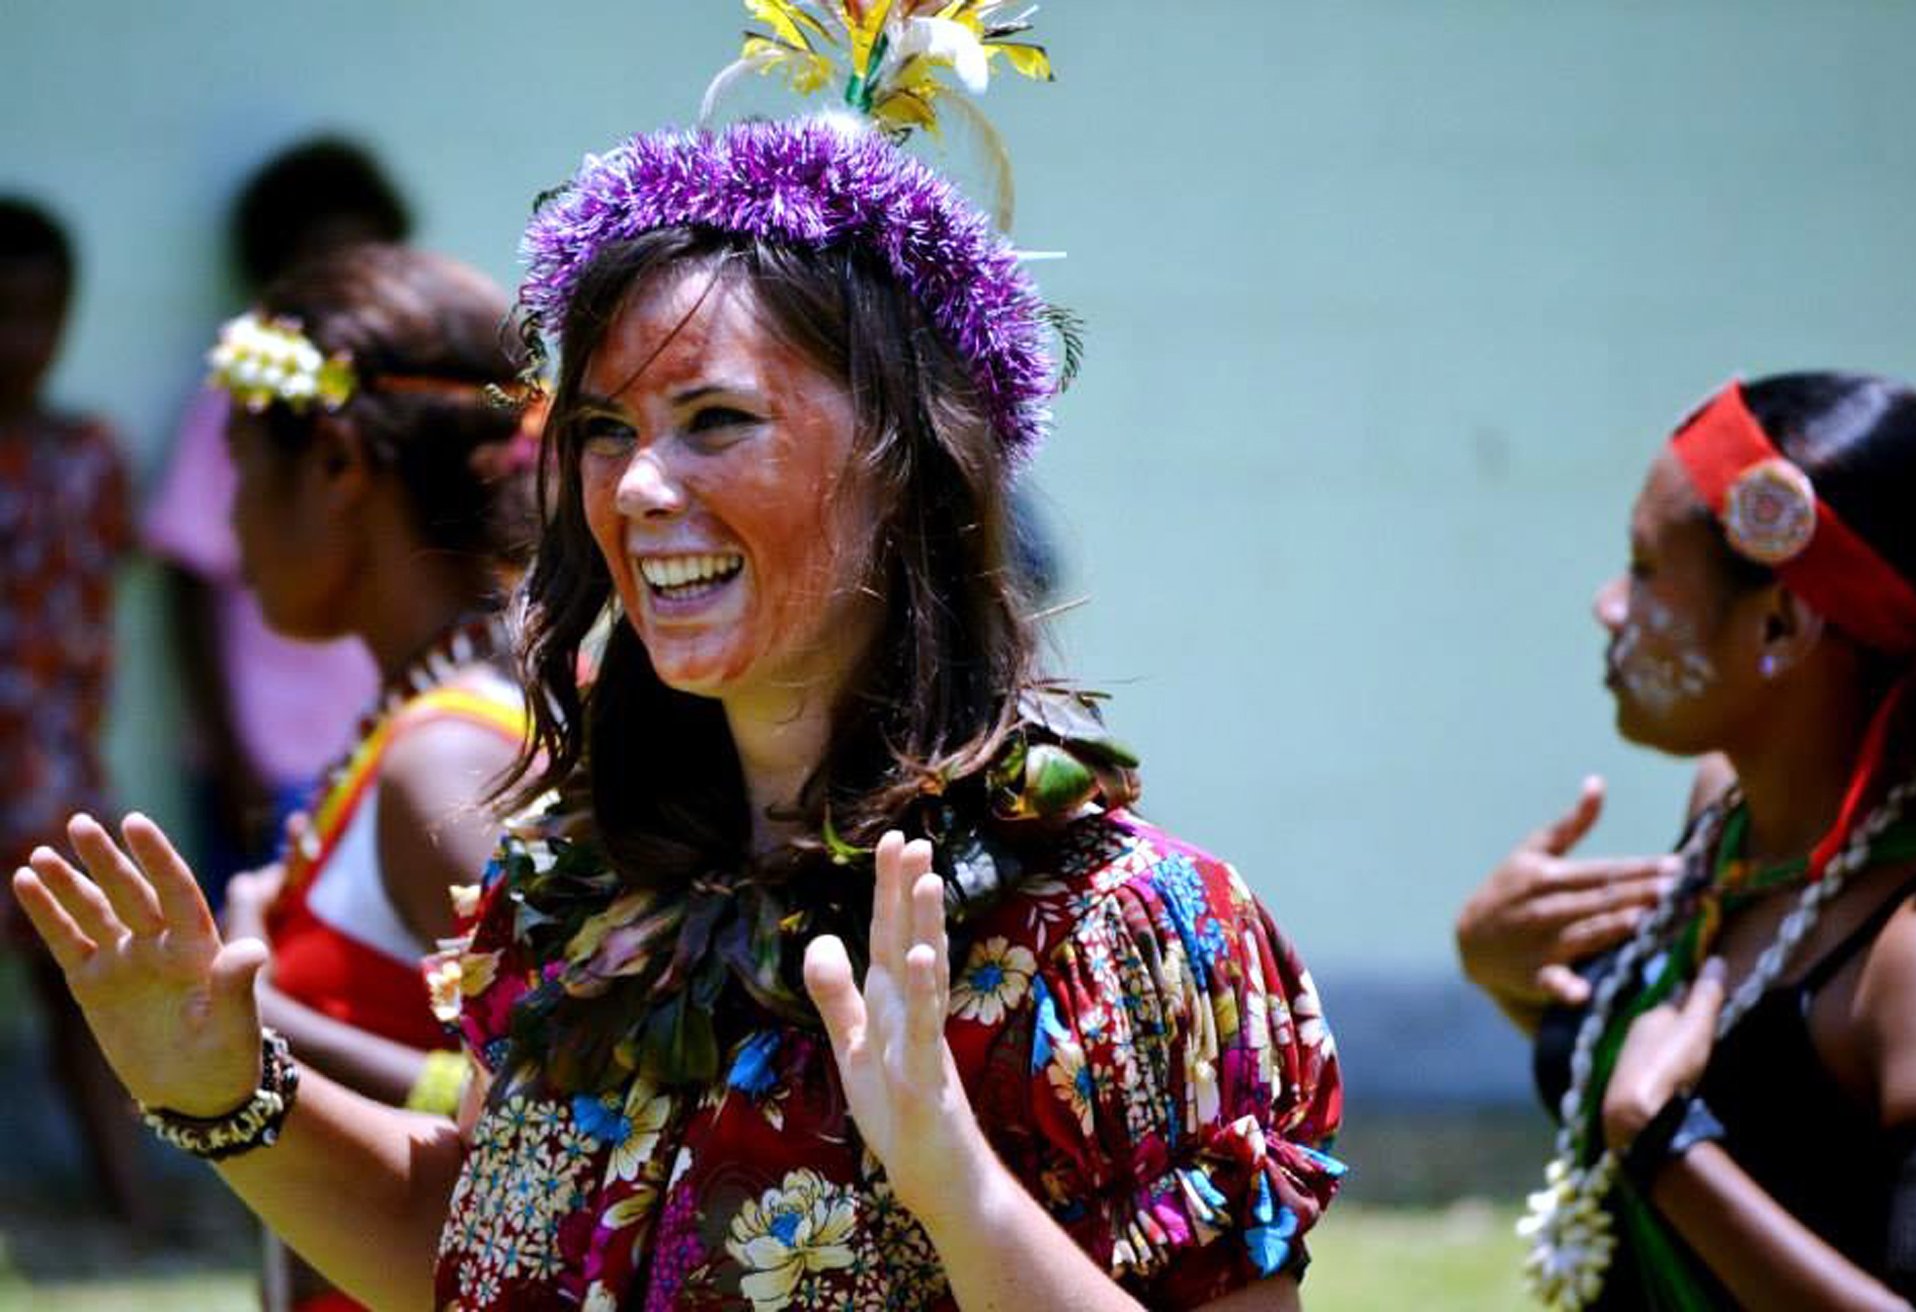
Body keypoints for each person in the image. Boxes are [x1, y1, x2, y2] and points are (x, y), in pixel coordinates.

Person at [11, 7, 1344, 1309]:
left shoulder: (1122, 928)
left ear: (907, 469)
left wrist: (959, 1190)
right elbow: (474, 1248)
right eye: (602, 427)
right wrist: (221, 1093)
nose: (638, 487)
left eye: (715, 419)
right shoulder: (574, 885)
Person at [1458, 374, 1916, 1308]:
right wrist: (1512, 978)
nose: (1609, 604)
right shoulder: (1726, 824)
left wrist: (1666, 1146)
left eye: (1646, 569)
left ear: (1776, 625)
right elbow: (1734, 1075)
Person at [197, 241, 534, 1310]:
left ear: (339, 465)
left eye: (244, 470)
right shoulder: (419, 726)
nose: (229, 521)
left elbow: (561, 1112)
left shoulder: (447, 759)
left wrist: (243, 1020)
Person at [144, 136, 413, 894]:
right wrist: (230, 755)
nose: (342, 289)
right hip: (267, 763)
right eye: (317, 265)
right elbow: (190, 580)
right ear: (270, 270)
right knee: (264, 964)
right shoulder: (236, 407)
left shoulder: (407, 400)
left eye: (361, 263)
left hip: (381, 752)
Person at [0, 195, 147, 1230]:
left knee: (78, 981)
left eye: (43, 312)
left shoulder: (89, 449)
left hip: (54, 762)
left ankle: (128, 1197)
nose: (22, 338)